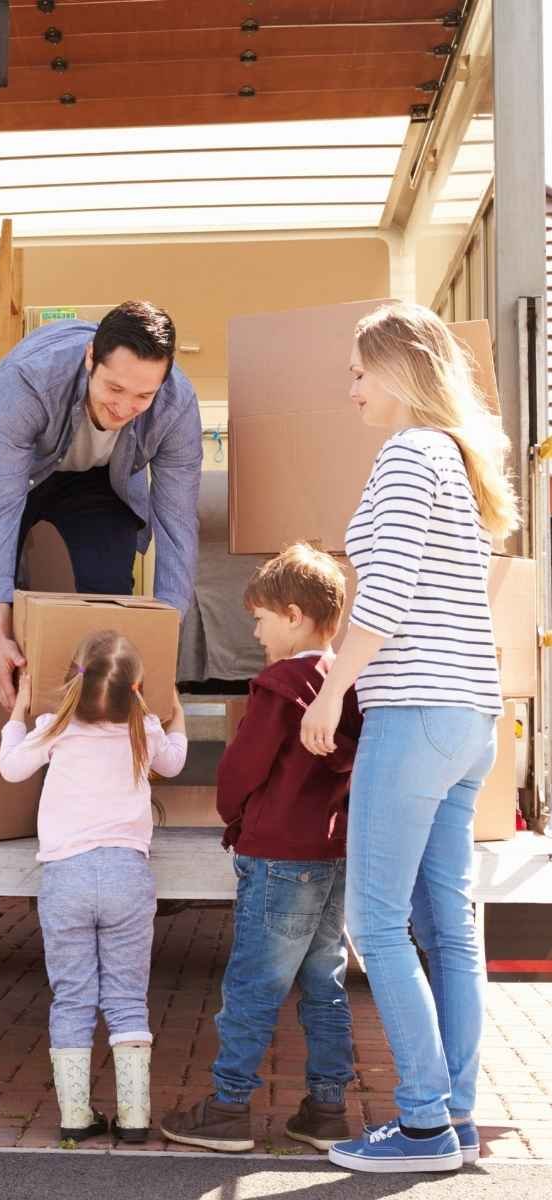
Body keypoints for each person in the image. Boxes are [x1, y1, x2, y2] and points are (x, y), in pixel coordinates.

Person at [299, 303, 518, 1174]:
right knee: (447, 926)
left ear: (397, 368)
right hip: (470, 720)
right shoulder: (457, 463)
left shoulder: (405, 456)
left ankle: (423, 1123)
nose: (351, 389)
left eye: (358, 372)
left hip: (417, 714)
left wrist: (332, 693)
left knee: (375, 921)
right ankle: (454, 1118)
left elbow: (382, 598)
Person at [159, 544, 362, 1153]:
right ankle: (327, 1111)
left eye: (260, 618)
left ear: (294, 616)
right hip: (331, 854)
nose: (254, 629)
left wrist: (236, 818)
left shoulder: (278, 685)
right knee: (324, 983)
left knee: (252, 984)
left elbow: (241, 769)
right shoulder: (345, 684)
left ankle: (227, 1108)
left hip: (277, 856)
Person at [0, 302, 203, 709]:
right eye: (114, 389)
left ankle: (95, 727)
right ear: (90, 359)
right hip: (18, 475)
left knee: (107, 593)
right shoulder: (27, 381)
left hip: (100, 482)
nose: (123, 408)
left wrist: (162, 646)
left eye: (143, 396)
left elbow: (177, 524)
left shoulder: (177, 404)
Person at [0, 630, 187, 1143]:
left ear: (70, 682)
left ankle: (76, 1117)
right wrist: (176, 712)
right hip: (128, 876)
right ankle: (134, 1117)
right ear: (139, 687)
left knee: (73, 998)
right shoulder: (142, 730)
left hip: (67, 877)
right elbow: (175, 761)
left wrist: (17, 712)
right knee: (127, 998)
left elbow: (11, 768)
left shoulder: (53, 728)